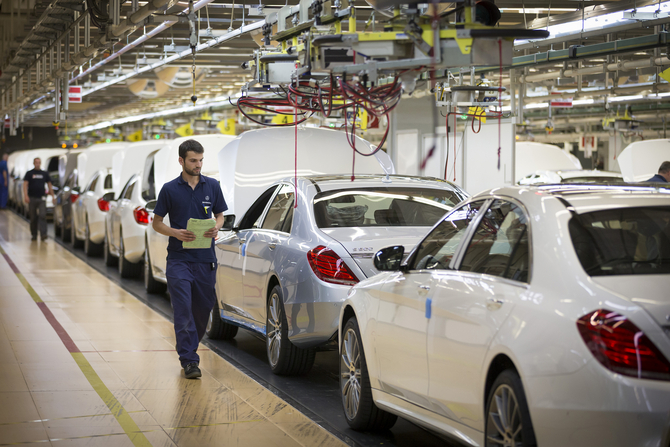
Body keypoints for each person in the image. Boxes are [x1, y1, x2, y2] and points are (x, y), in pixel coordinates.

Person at [151, 139, 227, 379]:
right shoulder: (169, 189)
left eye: (201, 160)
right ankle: (189, 360)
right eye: (193, 160)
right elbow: (157, 223)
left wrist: (216, 227)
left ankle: (189, 349)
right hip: (179, 260)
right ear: (181, 161)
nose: (198, 164)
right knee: (183, 311)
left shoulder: (212, 186)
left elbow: (221, 216)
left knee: (202, 312)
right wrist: (175, 232)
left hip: (206, 260)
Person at [23, 157, 54, 241]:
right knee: (33, 217)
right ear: (34, 163)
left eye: (39, 162)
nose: (37, 164)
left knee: (42, 215)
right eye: (36, 162)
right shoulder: (29, 173)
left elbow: (49, 184)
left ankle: (43, 234)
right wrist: (26, 196)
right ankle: (34, 234)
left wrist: (53, 196)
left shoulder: (44, 173)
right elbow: (25, 184)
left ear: (40, 163)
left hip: (41, 198)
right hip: (32, 198)